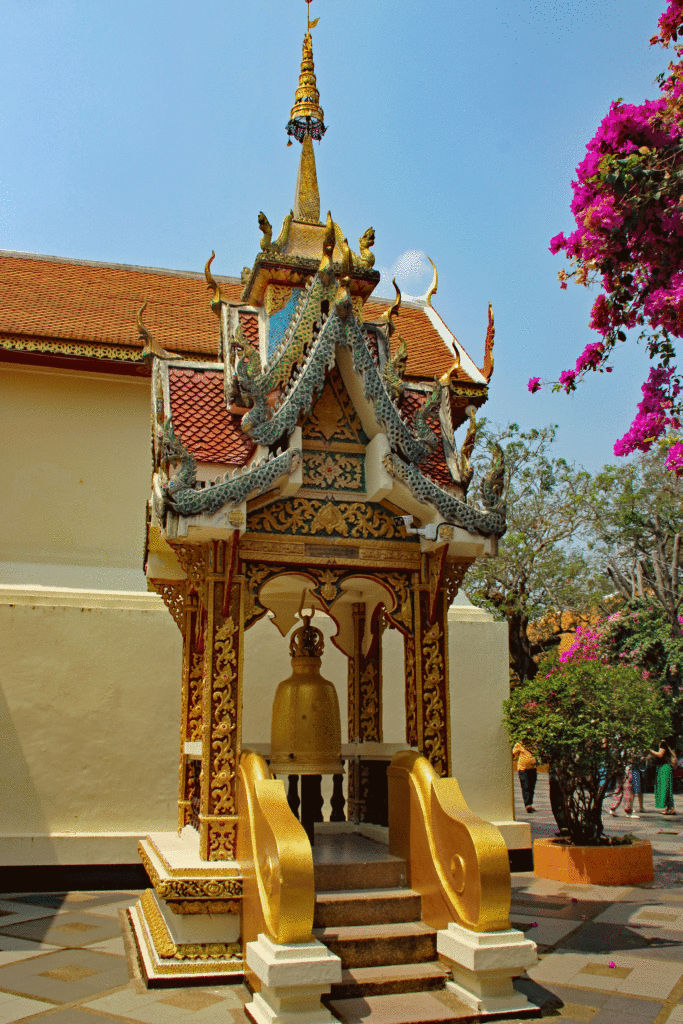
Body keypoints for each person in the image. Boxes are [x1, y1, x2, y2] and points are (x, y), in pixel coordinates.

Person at [649, 739, 677, 815]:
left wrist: (650, 750)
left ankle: (671, 808)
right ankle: (669, 808)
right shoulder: (659, 744)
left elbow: (660, 754)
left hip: (664, 768)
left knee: (666, 788)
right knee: (665, 788)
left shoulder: (663, 743)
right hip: (661, 768)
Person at [512, 739, 537, 813]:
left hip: (533, 768)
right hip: (523, 769)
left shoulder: (534, 744)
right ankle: (527, 805)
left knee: (532, 787)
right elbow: (513, 754)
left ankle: (530, 803)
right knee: (525, 786)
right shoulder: (519, 744)